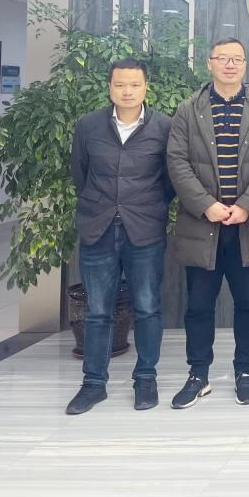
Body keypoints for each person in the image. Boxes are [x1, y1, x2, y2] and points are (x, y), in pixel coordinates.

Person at [166, 37, 249, 409]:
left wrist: (246, 205)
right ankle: (198, 374)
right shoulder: (189, 109)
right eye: (223, 58)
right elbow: (177, 162)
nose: (230, 64)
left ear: (245, 65)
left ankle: (244, 371)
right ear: (210, 63)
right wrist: (207, 206)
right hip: (203, 225)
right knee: (199, 304)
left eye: (237, 59)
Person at [65, 59, 174, 415]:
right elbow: (80, 173)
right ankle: (93, 384)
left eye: (134, 85)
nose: (127, 91)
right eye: (120, 85)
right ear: (109, 87)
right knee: (97, 311)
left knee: (147, 307)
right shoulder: (88, 125)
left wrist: (145, 207)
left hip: (144, 230)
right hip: (98, 228)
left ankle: (146, 379)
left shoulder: (164, 127)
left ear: (146, 87)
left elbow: (170, 181)